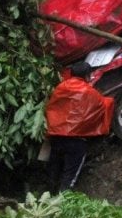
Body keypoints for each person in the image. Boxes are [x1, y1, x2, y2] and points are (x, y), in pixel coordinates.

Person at [45, 61, 114, 192]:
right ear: (87, 76)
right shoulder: (89, 92)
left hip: (56, 138)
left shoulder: (60, 88)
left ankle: (46, 199)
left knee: (53, 170)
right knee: (69, 176)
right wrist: (111, 100)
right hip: (75, 141)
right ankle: (62, 203)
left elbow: (51, 107)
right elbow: (102, 106)